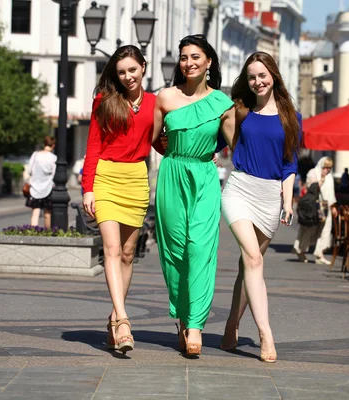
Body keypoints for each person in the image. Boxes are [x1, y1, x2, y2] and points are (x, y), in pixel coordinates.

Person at [153, 34, 234, 357]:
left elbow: (238, 147)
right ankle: (183, 317)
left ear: (209, 62)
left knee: (200, 248)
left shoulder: (222, 104)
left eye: (195, 57)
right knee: (175, 252)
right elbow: (152, 138)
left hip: (204, 176)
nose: (189, 63)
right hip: (172, 175)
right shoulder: (165, 97)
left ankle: (196, 325)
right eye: (184, 57)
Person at [81, 45, 164, 354]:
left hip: (136, 180)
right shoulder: (104, 101)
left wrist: (193, 156)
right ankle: (124, 320)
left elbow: (159, 142)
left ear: (143, 67)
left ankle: (114, 316)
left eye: (132, 69)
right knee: (112, 250)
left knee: (129, 254)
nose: (128, 76)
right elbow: (93, 145)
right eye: (121, 72)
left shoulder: (156, 103)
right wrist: (88, 187)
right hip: (106, 178)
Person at [220, 52, 301, 363]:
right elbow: (215, 138)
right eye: (252, 76)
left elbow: (290, 162)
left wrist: (288, 199)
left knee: (247, 268)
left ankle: (231, 324)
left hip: (270, 195)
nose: (257, 81)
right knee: (253, 258)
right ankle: (266, 333)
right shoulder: (239, 111)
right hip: (239, 188)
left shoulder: (291, 117)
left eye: (262, 75)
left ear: (274, 76)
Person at [25, 135, 57, 229]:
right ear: (53, 145)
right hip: (48, 187)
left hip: (35, 187)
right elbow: (55, 174)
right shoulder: (53, 158)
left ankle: (33, 233)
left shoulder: (35, 155)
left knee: (35, 212)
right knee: (47, 213)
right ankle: (47, 233)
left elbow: (30, 170)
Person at [309, 157, 337, 264]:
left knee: (325, 229)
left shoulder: (330, 177)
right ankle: (316, 252)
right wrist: (321, 179)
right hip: (317, 205)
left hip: (327, 206)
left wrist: (333, 206)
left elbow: (331, 193)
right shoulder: (315, 173)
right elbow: (311, 188)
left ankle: (320, 253)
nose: (327, 170)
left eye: (329, 168)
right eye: (325, 167)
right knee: (317, 229)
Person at [293, 181, 326, 262]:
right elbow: (318, 211)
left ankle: (297, 247)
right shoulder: (315, 199)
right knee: (306, 237)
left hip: (302, 220)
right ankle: (301, 251)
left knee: (301, 234)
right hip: (311, 222)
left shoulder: (304, 197)